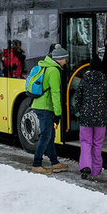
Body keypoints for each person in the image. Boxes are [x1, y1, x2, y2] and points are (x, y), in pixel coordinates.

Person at [30, 44, 69, 175]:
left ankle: (55, 163)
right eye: (65, 59)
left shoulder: (46, 66)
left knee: (50, 136)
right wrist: (58, 113)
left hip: (40, 105)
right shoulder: (54, 71)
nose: (66, 62)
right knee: (46, 136)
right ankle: (36, 164)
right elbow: (55, 94)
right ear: (59, 59)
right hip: (46, 108)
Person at [73, 55, 107, 180]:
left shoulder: (84, 81)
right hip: (101, 119)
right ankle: (96, 170)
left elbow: (77, 100)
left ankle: (85, 166)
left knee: (85, 142)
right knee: (98, 144)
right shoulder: (105, 82)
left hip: (85, 118)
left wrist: (79, 112)